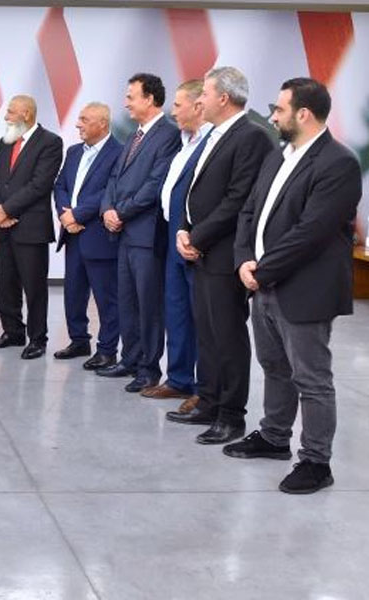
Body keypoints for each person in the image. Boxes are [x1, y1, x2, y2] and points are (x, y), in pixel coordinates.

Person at [225, 77, 361, 494]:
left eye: (279, 109)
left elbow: (311, 233)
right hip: (263, 283)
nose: (273, 117)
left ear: (303, 114)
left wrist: (261, 270)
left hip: (304, 288)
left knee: (312, 379)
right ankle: (274, 436)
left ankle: (317, 462)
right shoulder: (279, 155)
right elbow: (249, 211)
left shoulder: (338, 163)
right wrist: (243, 259)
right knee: (274, 367)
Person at [173, 67, 275, 445]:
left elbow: (238, 199)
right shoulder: (215, 134)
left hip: (224, 253)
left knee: (228, 336)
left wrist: (197, 236)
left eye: (205, 92)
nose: (199, 99)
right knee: (208, 332)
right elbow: (194, 191)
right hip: (203, 251)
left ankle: (231, 416)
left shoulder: (251, 136)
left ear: (223, 97)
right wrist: (184, 228)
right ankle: (209, 401)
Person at [98, 73, 181, 392]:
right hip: (124, 235)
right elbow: (114, 178)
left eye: (131, 97)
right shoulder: (135, 135)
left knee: (148, 305)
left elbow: (154, 184)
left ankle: (148, 368)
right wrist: (107, 209)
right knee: (127, 302)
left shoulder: (168, 135)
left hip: (146, 236)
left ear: (149, 99)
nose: (126, 103)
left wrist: (120, 212)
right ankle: (129, 359)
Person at [146, 80, 212, 405]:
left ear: (198, 106)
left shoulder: (211, 143)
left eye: (177, 104)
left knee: (202, 317)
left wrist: (195, 235)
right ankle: (179, 378)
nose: (172, 111)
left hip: (196, 242)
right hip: (173, 236)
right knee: (177, 312)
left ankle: (204, 388)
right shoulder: (185, 143)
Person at [0, 95, 63, 359]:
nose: (6, 116)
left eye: (10, 112)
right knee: (5, 283)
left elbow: (40, 184)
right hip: (3, 225)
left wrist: (7, 209)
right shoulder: (6, 142)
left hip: (30, 227)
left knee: (34, 287)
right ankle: (13, 332)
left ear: (26, 114)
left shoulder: (50, 142)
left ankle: (38, 339)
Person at [52, 102, 123, 368]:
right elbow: (60, 186)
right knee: (73, 292)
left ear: (102, 123)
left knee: (106, 298)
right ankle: (79, 340)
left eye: (84, 119)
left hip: (98, 236)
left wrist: (77, 215)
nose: (77, 124)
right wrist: (65, 215)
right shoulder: (73, 152)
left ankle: (107, 350)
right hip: (72, 235)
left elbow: (109, 191)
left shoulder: (119, 152)